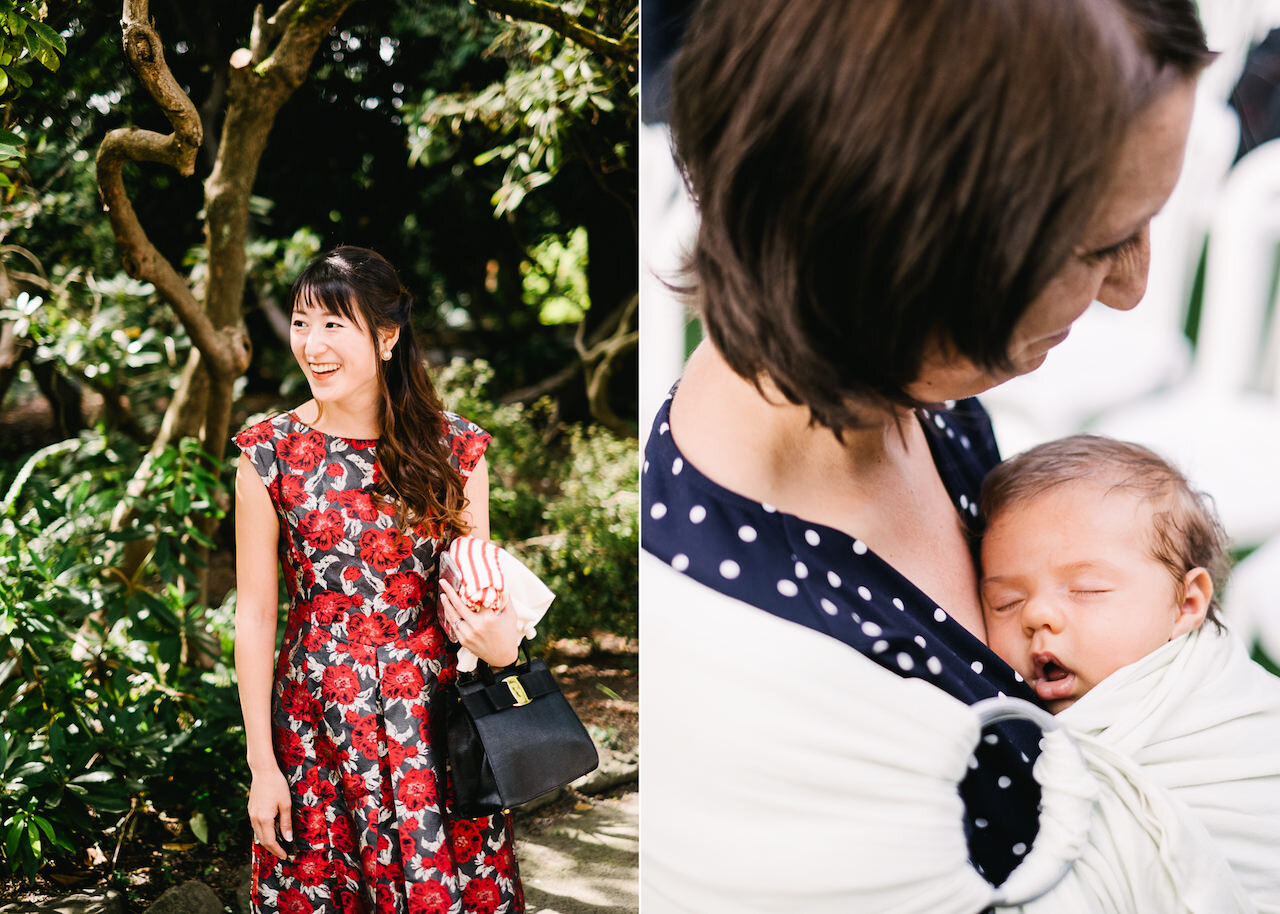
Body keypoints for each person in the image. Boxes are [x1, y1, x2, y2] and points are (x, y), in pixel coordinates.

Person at [639, 0, 1213, 909]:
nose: (1133, 288)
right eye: (1102, 243)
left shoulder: (904, 394)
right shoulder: (758, 695)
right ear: (906, 245)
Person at [233, 246, 524, 913]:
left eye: (335, 325)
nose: (312, 344)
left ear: (388, 337)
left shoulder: (455, 450)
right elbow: (253, 617)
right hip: (316, 726)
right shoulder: (267, 454)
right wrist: (261, 767)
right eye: (303, 324)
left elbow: (479, 592)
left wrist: (504, 649)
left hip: (432, 724)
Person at [980, 435, 1280, 910]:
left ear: (1186, 603)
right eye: (1005, 601)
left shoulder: (1225, 706)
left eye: (1087, 589)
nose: (1036, 615)